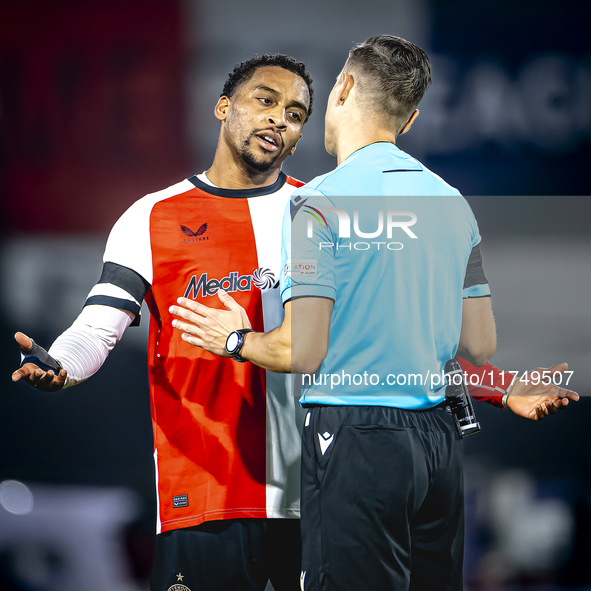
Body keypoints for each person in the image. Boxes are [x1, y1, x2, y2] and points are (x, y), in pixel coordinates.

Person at [169, 36, 579, 590]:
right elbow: (477, 345)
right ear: (409, 121)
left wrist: (236, 339)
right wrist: (503, 388)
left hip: (355, 441)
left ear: (343, 87)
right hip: (437, 445)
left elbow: (300, 350)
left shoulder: (317, 201)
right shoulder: (452, 203)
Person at [12, 54, 314, 591]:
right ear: (223, 108)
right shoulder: (151, 215)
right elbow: (98, 325)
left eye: (295, 114)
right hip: (202, 490)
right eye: (265, 101)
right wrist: (61, 365)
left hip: (315, 493)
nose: (278, 119)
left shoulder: (320, 212)